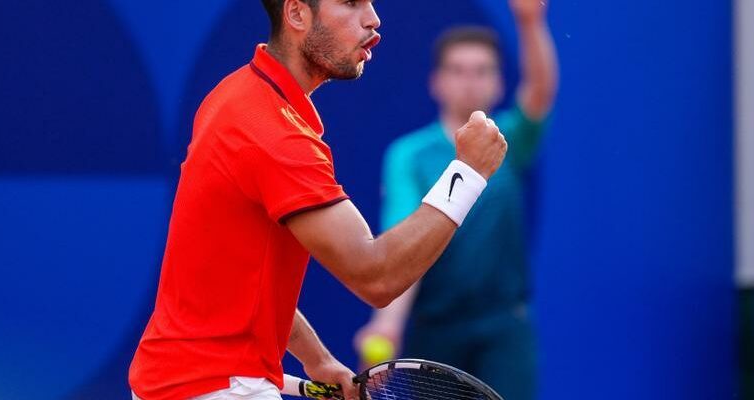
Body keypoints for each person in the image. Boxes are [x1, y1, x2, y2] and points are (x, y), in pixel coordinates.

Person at [127, 0, 509, 399]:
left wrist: (317, 359)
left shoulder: (239, 94)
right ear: (296, 14)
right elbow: (376, 276)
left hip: (179, 382)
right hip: (217, 388)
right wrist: (468, 173)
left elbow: (239, 281)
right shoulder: (273, 134)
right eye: (350, 3)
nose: (372, 18)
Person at [353, 1, 558, 399]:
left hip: (505, 330)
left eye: (482, 71)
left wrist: (530, 22)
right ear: (437, 81)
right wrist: (387, 323)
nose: (470, 81)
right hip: (436, 334)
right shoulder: (409, 155)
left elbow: (540, 92)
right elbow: (404, 240)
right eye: (458, 70)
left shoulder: (508, 141)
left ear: (499, 83)